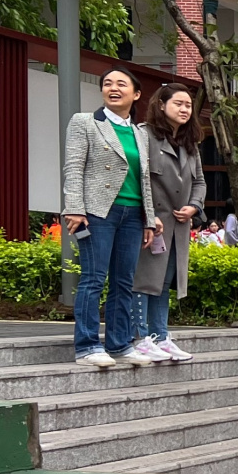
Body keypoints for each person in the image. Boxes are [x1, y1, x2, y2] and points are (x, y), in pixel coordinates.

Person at [61, 66, 161, 369]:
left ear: (136, 93)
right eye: (107, 83)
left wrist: (149, 218)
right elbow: (74, 167)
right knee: (93, 278)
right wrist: (74, 208)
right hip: (97, 212)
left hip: (133, 214)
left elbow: (144, 179)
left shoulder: (140, 132)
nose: (113, 88)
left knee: (124, 280)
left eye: (121, 84)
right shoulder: (85, 122)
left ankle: (119, 344)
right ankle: (88, 345)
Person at [132, 82, 205, 364]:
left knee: (164, 282)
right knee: (144, 280)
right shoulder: (143, 135)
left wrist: (194, 206)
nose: (185, 109)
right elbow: (138, 178)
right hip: (152, 223)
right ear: (161, 105)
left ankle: (160, 336)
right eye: (179, 103)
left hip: (179, 225)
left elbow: (199, 181)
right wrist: (148, 217)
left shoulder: (190, 144)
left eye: (188, 105)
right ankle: (140, 336)